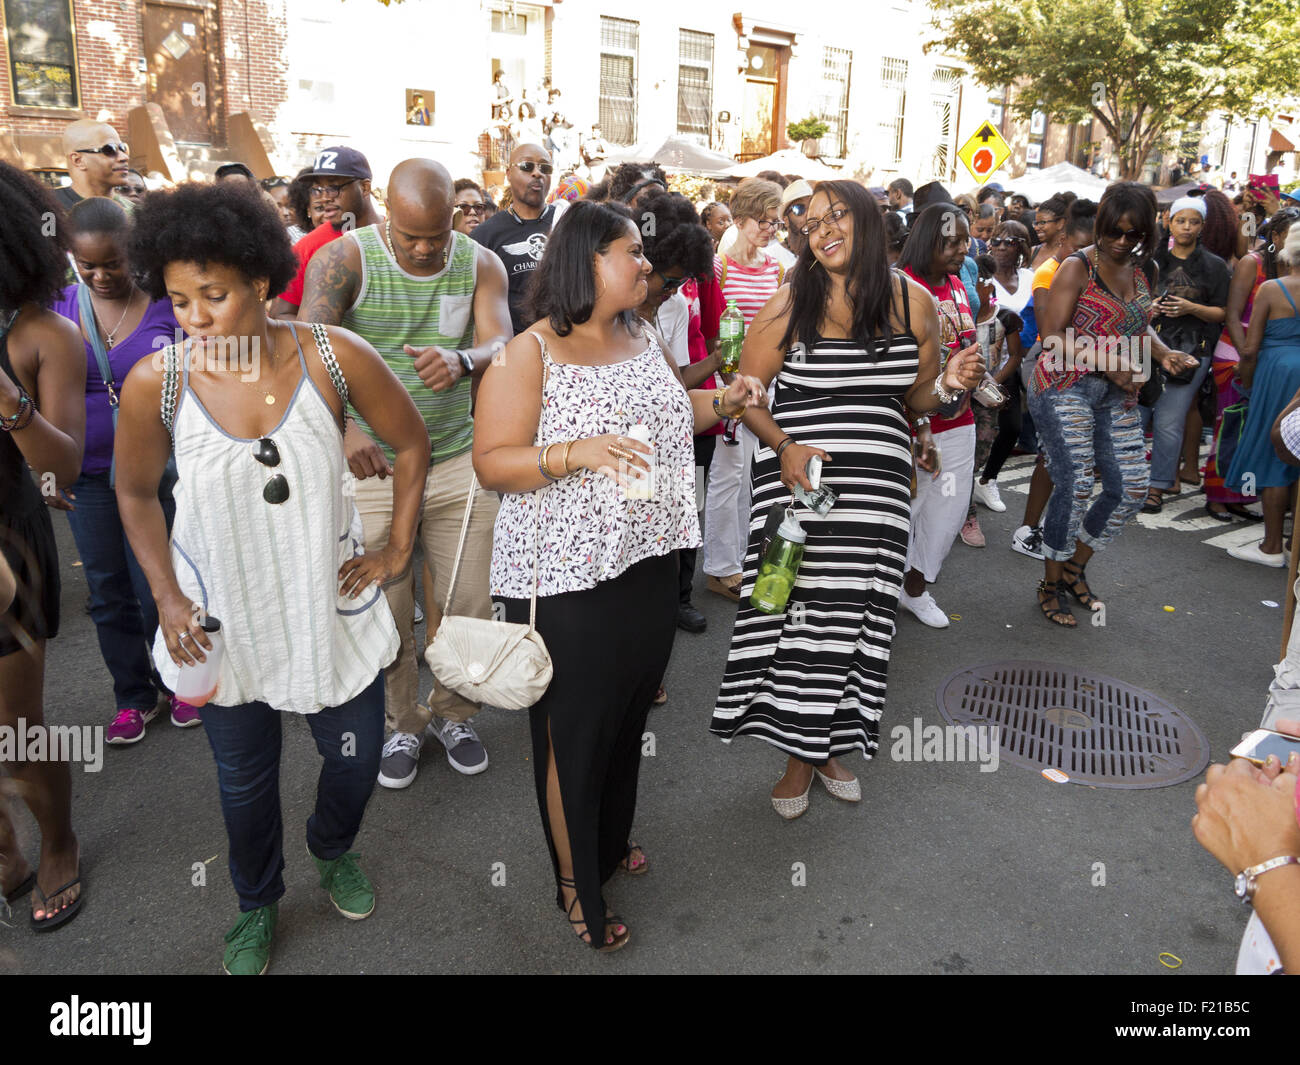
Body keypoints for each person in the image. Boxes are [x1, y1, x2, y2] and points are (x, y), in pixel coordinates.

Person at [117, 181, 429, 974]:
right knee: (244, 784)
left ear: (261, 280)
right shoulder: (162, 381)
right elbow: (131, 492)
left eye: (213, 296)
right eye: (179, 299)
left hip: (330, 607)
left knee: (356, 761)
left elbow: (413, 444)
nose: (193, 316)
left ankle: (332, 847)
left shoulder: (332, 355)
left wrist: (396, 549)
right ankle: (256, 901)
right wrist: (165, 594)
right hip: (222, 620)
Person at [473, 199, 765, 950]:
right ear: (585, 262)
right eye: (630, 252)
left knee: (628, 719)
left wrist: (724, 399)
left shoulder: (640, 332)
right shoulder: (528, 353)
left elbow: (677, 413)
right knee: (575, 733)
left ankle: (605, 844)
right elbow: (493, 462)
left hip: (646, 560)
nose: (645, 263)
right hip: (565, 578)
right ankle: (576, 886)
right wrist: (578, 451)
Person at [712, 181, 983, 816]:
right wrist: (783, 446)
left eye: (839, 215)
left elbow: (912, 398)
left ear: (868, 222)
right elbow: (743, 393)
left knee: (854, 624)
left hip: (879, 497)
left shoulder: (915, 303)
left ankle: (825, 745)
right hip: (802, 493)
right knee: (797, 622)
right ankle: (797, 755)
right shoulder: (788, 304)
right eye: (811, 221)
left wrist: (946, 385)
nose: (824, 228)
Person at [300, 159, 512, 786]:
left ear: (456, 217)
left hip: (454, 460)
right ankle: (403, 723)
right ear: (385, 211)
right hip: (371, 470)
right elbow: (309, 348)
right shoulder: (344, 260)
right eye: (410, 234)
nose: (423, 249)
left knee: (465, 601)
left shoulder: (480, 262)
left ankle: (454, 713)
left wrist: (464, 360)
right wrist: (345, 429)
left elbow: (504, 342)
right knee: (387, 606)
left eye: (436, 236)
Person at [51, 197, 194, 744]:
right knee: (108, 589)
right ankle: (133, 697)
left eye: (113, 263)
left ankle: (182, 680)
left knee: (161, 580)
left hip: (161, 474)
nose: (101, 275)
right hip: (89, 476)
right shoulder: (59, 307)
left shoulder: (166, 305)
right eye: (87, 265)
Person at [1027, 182, 1197, 627]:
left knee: (1131, 488)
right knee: (1077, 482)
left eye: (1133, 234)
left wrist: (1163, 354)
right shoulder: (1075, 267)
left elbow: (1138, 324)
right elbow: (1053, 336)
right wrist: (1107, 360)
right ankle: (1049, 583)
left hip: (1117, 390)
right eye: (1114, 233)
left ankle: (1073, 569)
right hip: (1065, 382)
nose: (1123, 242)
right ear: (1100, 227)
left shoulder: (1147, 270)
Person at [0, 162, 87, 931]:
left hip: (7, 544)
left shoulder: (43, 334)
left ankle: (56, 839)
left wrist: (10, 401)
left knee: (13, 727)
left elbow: (62, 465)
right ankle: (6, 852)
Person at [634, 190, 719, 634]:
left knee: (686, 513)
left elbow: (678, 378)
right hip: (633, 446)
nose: (673, 290)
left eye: (682, 281)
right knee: (641, 532)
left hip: (682, 431)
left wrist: (719, 370)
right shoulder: (610, 316)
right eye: (668, 281)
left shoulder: (677, 303)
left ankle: (679, 600)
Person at [896, 202, 984, 621]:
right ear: (927, 240)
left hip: (960, 418)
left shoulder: (957, 284)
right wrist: (922, 423)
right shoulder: (900, 285)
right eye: (951, 241)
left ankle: (914, 590)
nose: (961, 249)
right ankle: (877, 599)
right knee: (902, 511)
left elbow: (964, 343)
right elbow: (899, 366)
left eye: (965, 240)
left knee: (946, 512)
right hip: (910, 421)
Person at [702, 178, 784, 603]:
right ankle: (720, 567)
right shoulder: (720, 267)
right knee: (728, 475)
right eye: (764, 221)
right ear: (740, 220)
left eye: (776, 222)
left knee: (755, 477)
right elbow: (713, 329)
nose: (771, 230)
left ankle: (739, 559)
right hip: (730, 383)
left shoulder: (775, 267)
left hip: (766, 383)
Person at [1011, 197, 1097, 559]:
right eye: (1083, 248)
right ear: (1067, 240)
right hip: (1054, 374)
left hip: (1083, 375)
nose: (1088, 256)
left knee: (1069, 459)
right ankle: (1027, 530)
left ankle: (1048, 527)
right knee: (1051, 455)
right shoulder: (1051, 271)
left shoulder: (1090, 269)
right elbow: (1050, 335)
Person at [1206, 208, 1298, 521]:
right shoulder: (1253, 263)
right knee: (1230, 427)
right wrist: (1247, 356)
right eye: (1291, 232)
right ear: (1275, 236)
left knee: (1254, 431)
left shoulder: (1290, 271)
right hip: (1237, 353)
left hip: (1266, 359)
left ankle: (1240, 496)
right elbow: (1232, 314)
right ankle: (1218, 496)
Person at [1142, 195, 1230, 513]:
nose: (1187, 227)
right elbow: (1131, 300)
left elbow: (1223, 312)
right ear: (1169, 221)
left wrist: (1191, 307)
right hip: (1146, 346)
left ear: (1202, 226)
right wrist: (1150, 307)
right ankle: (1130, 480)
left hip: (1193, 349)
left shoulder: (1215, 266)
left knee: (1169, 420)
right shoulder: (1150, 260)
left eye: (1194, 222)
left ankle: (1157, 488)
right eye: (1181, 220)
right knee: (1133, 416)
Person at [1225, 224, 1300, 566]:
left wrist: (1248, 382)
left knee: (1274, 455)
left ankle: (1271, 547)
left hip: (1275, 374)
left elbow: (1251, 349)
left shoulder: (1272, 288)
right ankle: (1292, 544)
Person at [271, 147, 382, 318]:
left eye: (333, 187)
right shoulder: (308, 247)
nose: (324, 197)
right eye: (317, 189)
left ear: (365, 188)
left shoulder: (396, 236)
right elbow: (281, 315)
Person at [471, 142, 557, 336]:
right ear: (508, 174)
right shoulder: (485, 236)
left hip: (565, 346)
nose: (537, 173)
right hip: (512, 347)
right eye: (527, 166)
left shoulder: (567, 223)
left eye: (545, 168)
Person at [54, 118, 130, 209]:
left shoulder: (137, 216)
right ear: (78, 160)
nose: (124, 157)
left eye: (123, 148)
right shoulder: (46, 209)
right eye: (110, 149)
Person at [1030, 192, 1075, 268]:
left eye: (1042, 223)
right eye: (1036, 223)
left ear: (1060, 223)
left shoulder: (1070, 254)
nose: (1037, 228)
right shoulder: (1033, 251)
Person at [778, 179, 813, 263]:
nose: (808, 214)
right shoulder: (771, 256)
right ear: (786, 220)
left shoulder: (824, 253)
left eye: (812, 206)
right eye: (799, 208)